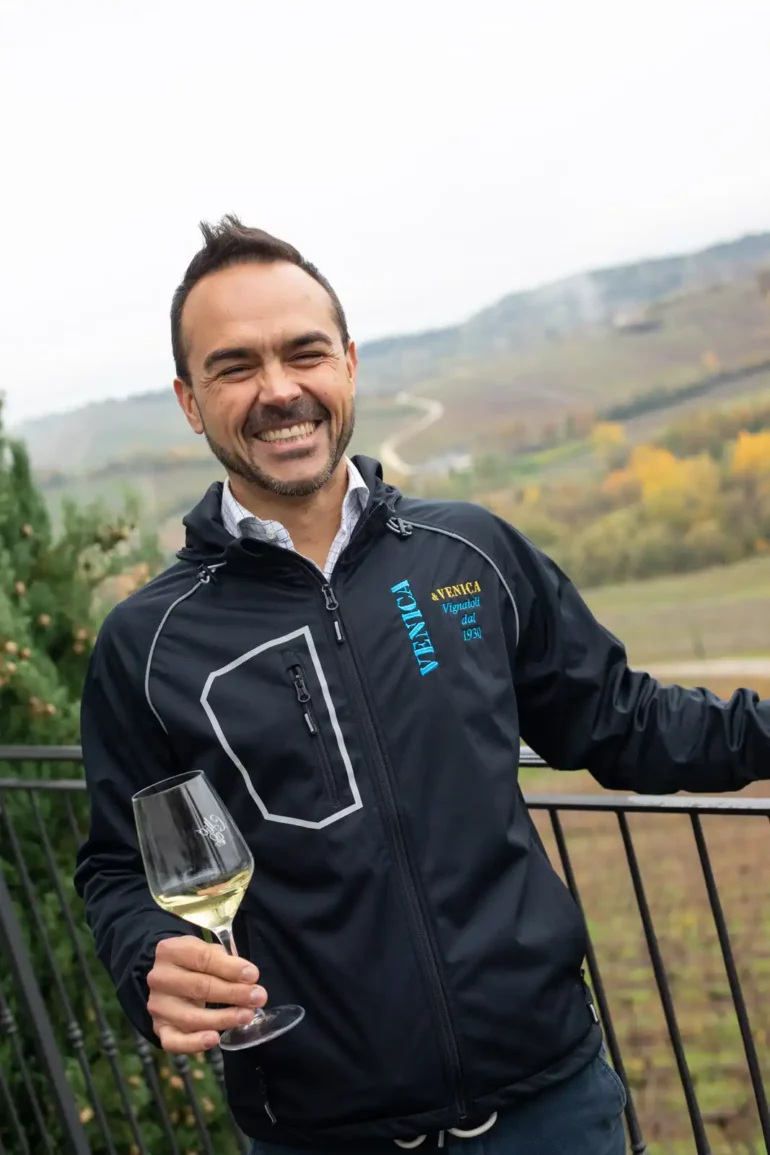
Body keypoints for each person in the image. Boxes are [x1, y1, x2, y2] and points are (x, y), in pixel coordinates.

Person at [74, 216, 770, 1155]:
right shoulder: (147, 642)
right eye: (235, 366)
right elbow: (121, 865)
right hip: (319, 1134)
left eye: (305, 352)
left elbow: (626, 720)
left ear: (349, 364)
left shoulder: (468, 551)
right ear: (190, 401)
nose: (280, 389)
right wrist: (144, 954)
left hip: (553, 1107)